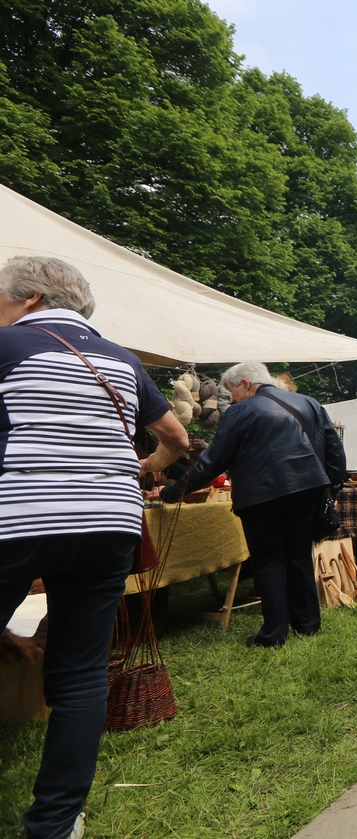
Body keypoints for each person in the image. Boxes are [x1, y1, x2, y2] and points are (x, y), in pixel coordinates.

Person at [0, 256, 189, 839]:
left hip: (19, 516)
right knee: (81, 675)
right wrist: (144, 467)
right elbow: (177, 437)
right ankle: (56, 823)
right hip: (109, 522)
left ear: (30, 299)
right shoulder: (123, 360)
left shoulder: (7, 346)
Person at [152, 361, 346, 648]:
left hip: (261, 497)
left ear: (245, 384)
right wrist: (332, 487)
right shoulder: (309, 403)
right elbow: (335, 451)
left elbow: (211, 464)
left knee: (269, 561)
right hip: (308, 490)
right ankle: (308, 626)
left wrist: (170, 493)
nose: (232, 399)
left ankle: (274, 635)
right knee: (299, 556)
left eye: (232, 392)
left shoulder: (240, 412)